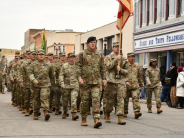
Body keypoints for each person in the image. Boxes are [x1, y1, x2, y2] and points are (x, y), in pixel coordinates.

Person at [76, 36, 107, 128]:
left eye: (94, 42)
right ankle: (84, 118)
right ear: (88, 44)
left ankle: (96, 119)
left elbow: (102, 68)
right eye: (91, 42)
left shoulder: (99, 54)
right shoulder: (82, 54)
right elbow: (78, 67)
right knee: (85, 102)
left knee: (96, 100)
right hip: (85, 82)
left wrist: (104, 78)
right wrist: (79, 77)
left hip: (97, 82)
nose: (93, 44)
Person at [104, 42, 128, 125]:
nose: (117, 48)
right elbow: (107, 67)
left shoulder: (123, 59)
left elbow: (127, 71)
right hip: (111, 82)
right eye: (115, 47)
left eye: (118, 47)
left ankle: (120, 117)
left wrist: (121, 69)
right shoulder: (108, 57)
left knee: (121, 99)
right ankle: (107, 114)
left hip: (121, 82)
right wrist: (115, 60)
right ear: (112, 47)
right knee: (110, 100)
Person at [28, 49, 54, 121]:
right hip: (35, 85)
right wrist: (33, 80)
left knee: (44, 98)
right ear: (37, 56)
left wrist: (52, 85)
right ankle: (36, 113)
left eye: (42, 54)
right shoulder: (33, 64)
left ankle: (46, 113)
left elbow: (52, 75)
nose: (41, 56)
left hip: (45, 84)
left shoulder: (49, 64)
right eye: (40, 55)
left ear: (44, 55)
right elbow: (30, 73)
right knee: (36, 99)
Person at [59, 52, 79, 121]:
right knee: (65, 101)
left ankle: (73, 114)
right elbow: (61, 75)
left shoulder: (77, 66)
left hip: (75, 86)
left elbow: (80, 75)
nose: (72, 59)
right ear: (68, 58)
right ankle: (65, 111)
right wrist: (62, 83)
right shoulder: (64, 66)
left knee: (73, 100)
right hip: (66, 86)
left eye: (73, 57)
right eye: (71, 57)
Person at [124, 52, 144, 119]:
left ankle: (137, 112)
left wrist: (142, 85)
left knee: (135, 99)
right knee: (125, 100)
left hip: (135, 86)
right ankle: (125, 112)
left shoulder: (137, 66)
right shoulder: (124, 66)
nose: (132, 58)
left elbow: (140, 76)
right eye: (131, 57)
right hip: (126, 86)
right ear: (127, 58)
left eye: (133, 57)